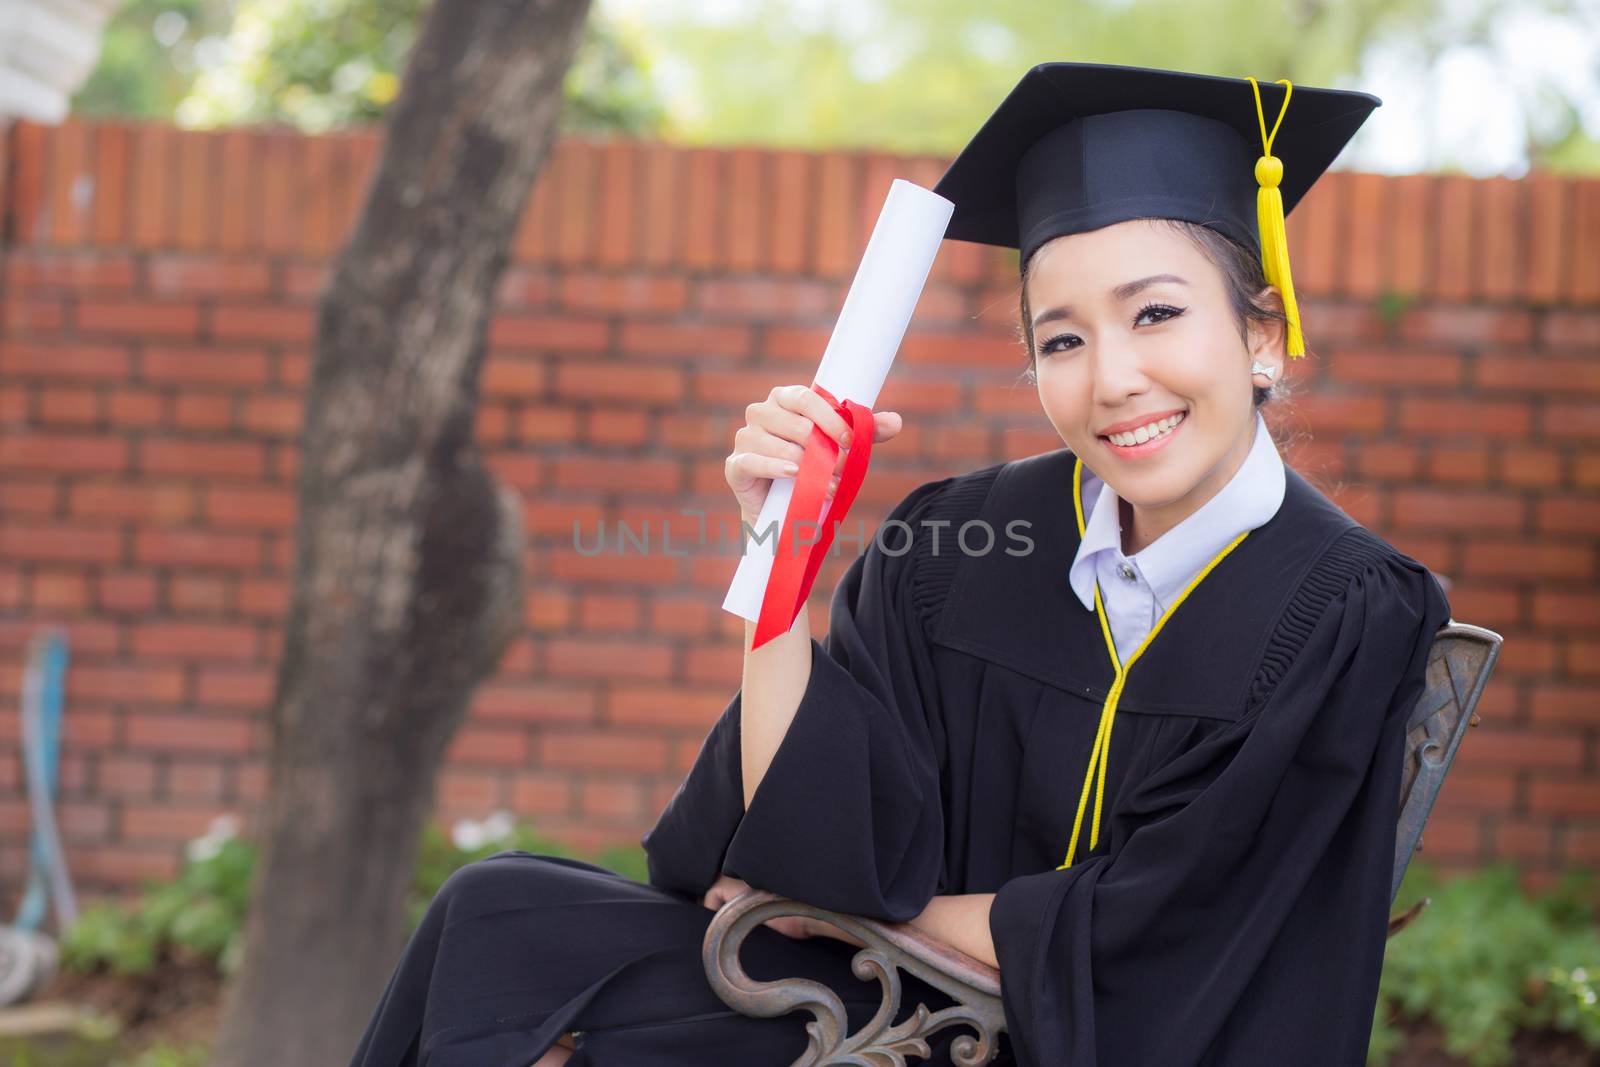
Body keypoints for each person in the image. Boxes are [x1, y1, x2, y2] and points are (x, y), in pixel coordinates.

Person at [345, 61, 1452, 1067]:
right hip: (887, 1009)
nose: (1113, 377)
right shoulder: (961, 539)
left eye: (1155, 313)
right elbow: (805, 833)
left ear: (1260, 334)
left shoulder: (1349, 606)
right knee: (497, 919)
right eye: (1061, 338)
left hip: (1102, 1036)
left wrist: (872, 911)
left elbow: (1176, 933)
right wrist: (780, 555)